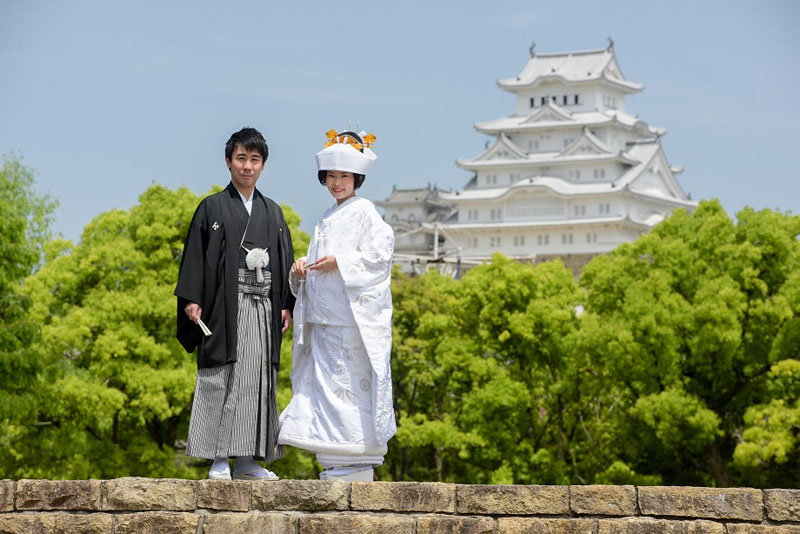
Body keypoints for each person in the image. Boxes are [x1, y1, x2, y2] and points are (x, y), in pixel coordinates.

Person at [174, 127, 295, 480]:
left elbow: (284, 261)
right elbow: (195, 258)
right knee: (221, 378)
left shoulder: (273, 213)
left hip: (263, 309)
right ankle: (218, 459)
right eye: (241, 158)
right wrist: (193, 299)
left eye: (254, 160)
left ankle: (247, 460)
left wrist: (285, 304)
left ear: (263, 165)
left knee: (256, 380)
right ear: (228, 162)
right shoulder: (211, 207)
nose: (247, 166)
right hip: (224, 308)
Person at [278, 129, 395, 481]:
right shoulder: (327, 216)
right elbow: (319, 262)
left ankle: (355, 459)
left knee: (349, 389)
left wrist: (340, 262)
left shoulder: (366, 213)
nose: (337, 182)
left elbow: (380, 255)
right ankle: (333, 459)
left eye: (344, 176)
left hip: (350, 319)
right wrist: (302, 268)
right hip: (324, 320)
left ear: (356, 178)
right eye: (332, 176)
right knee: (327, 390)